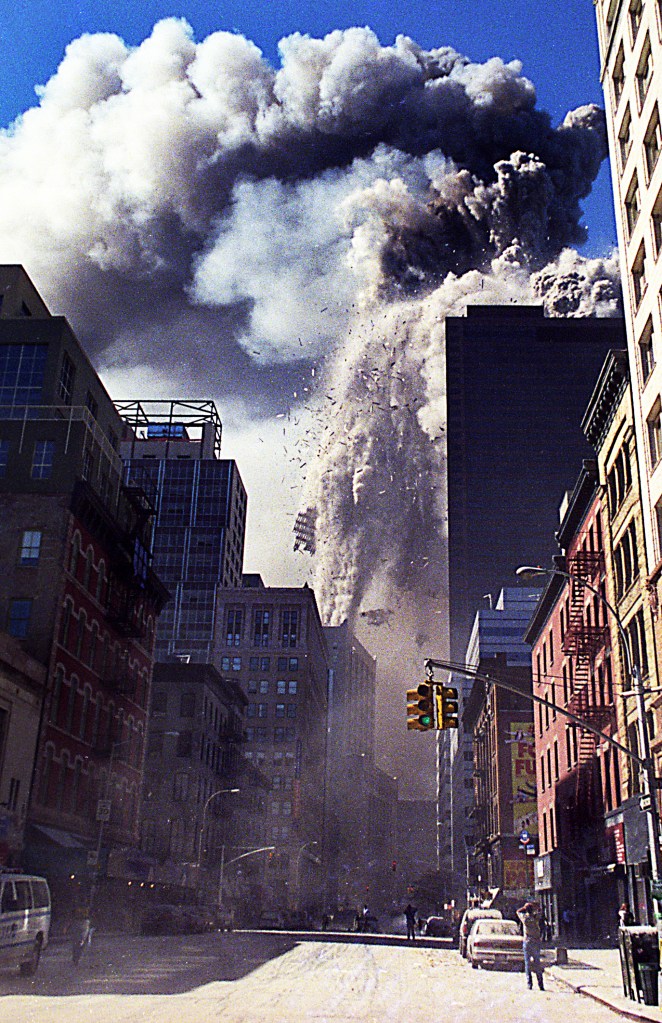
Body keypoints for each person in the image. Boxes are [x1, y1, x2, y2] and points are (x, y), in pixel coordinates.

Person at [516, 902, 545, 991]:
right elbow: (541, 912)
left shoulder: (525, 918)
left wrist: (524, 908)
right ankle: (541, 984)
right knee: (537, 964)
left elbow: (517, 911)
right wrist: (535, 908)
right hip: (536, 942)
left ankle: (530, 984)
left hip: (527, 942)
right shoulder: (535, 917)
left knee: (527, 964)